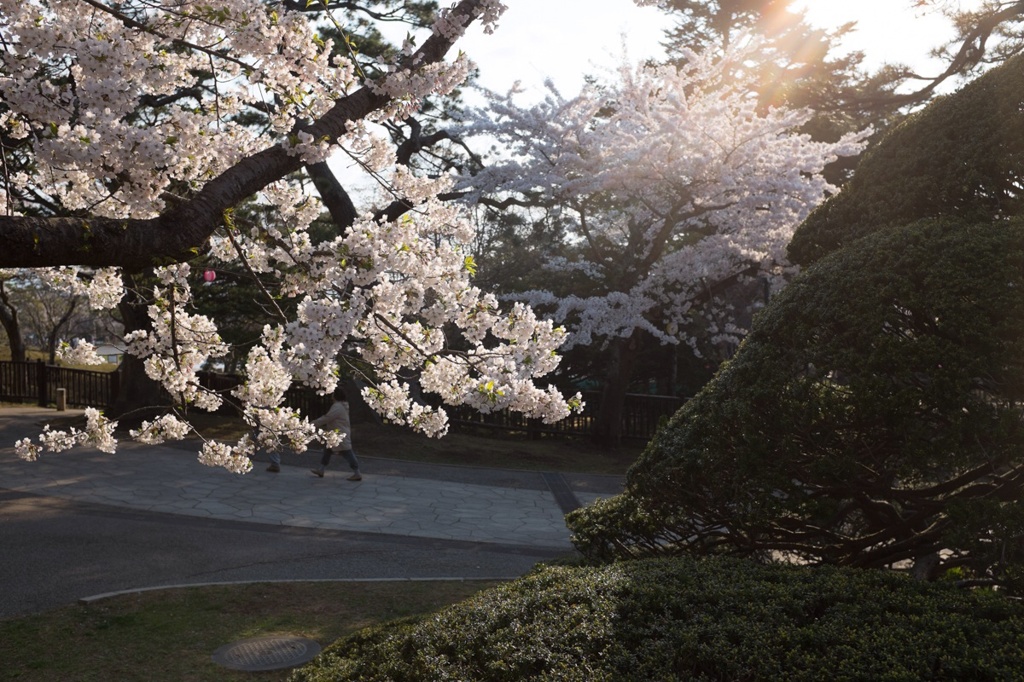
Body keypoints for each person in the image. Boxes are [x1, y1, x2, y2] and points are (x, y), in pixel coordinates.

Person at [310, 387, 362, 481]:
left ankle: (357, 472)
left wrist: (314, 423)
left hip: (340, 434)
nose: (331, 396)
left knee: (347, 452)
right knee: (328, 450)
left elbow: (328, 417)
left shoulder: (337, 406)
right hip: (336, 433)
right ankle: (321, 469)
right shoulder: (341, 406)